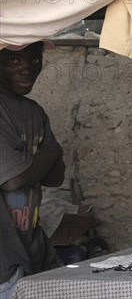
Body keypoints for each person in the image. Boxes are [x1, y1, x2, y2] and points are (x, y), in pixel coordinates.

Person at [0, 41, 65, 299]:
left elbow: (56, 177)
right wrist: (48, 154)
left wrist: (37, 165)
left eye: (35, 60)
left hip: (31, 255)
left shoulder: (35, 111)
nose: (27, 68)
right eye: (14, 60)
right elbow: (13, 180)